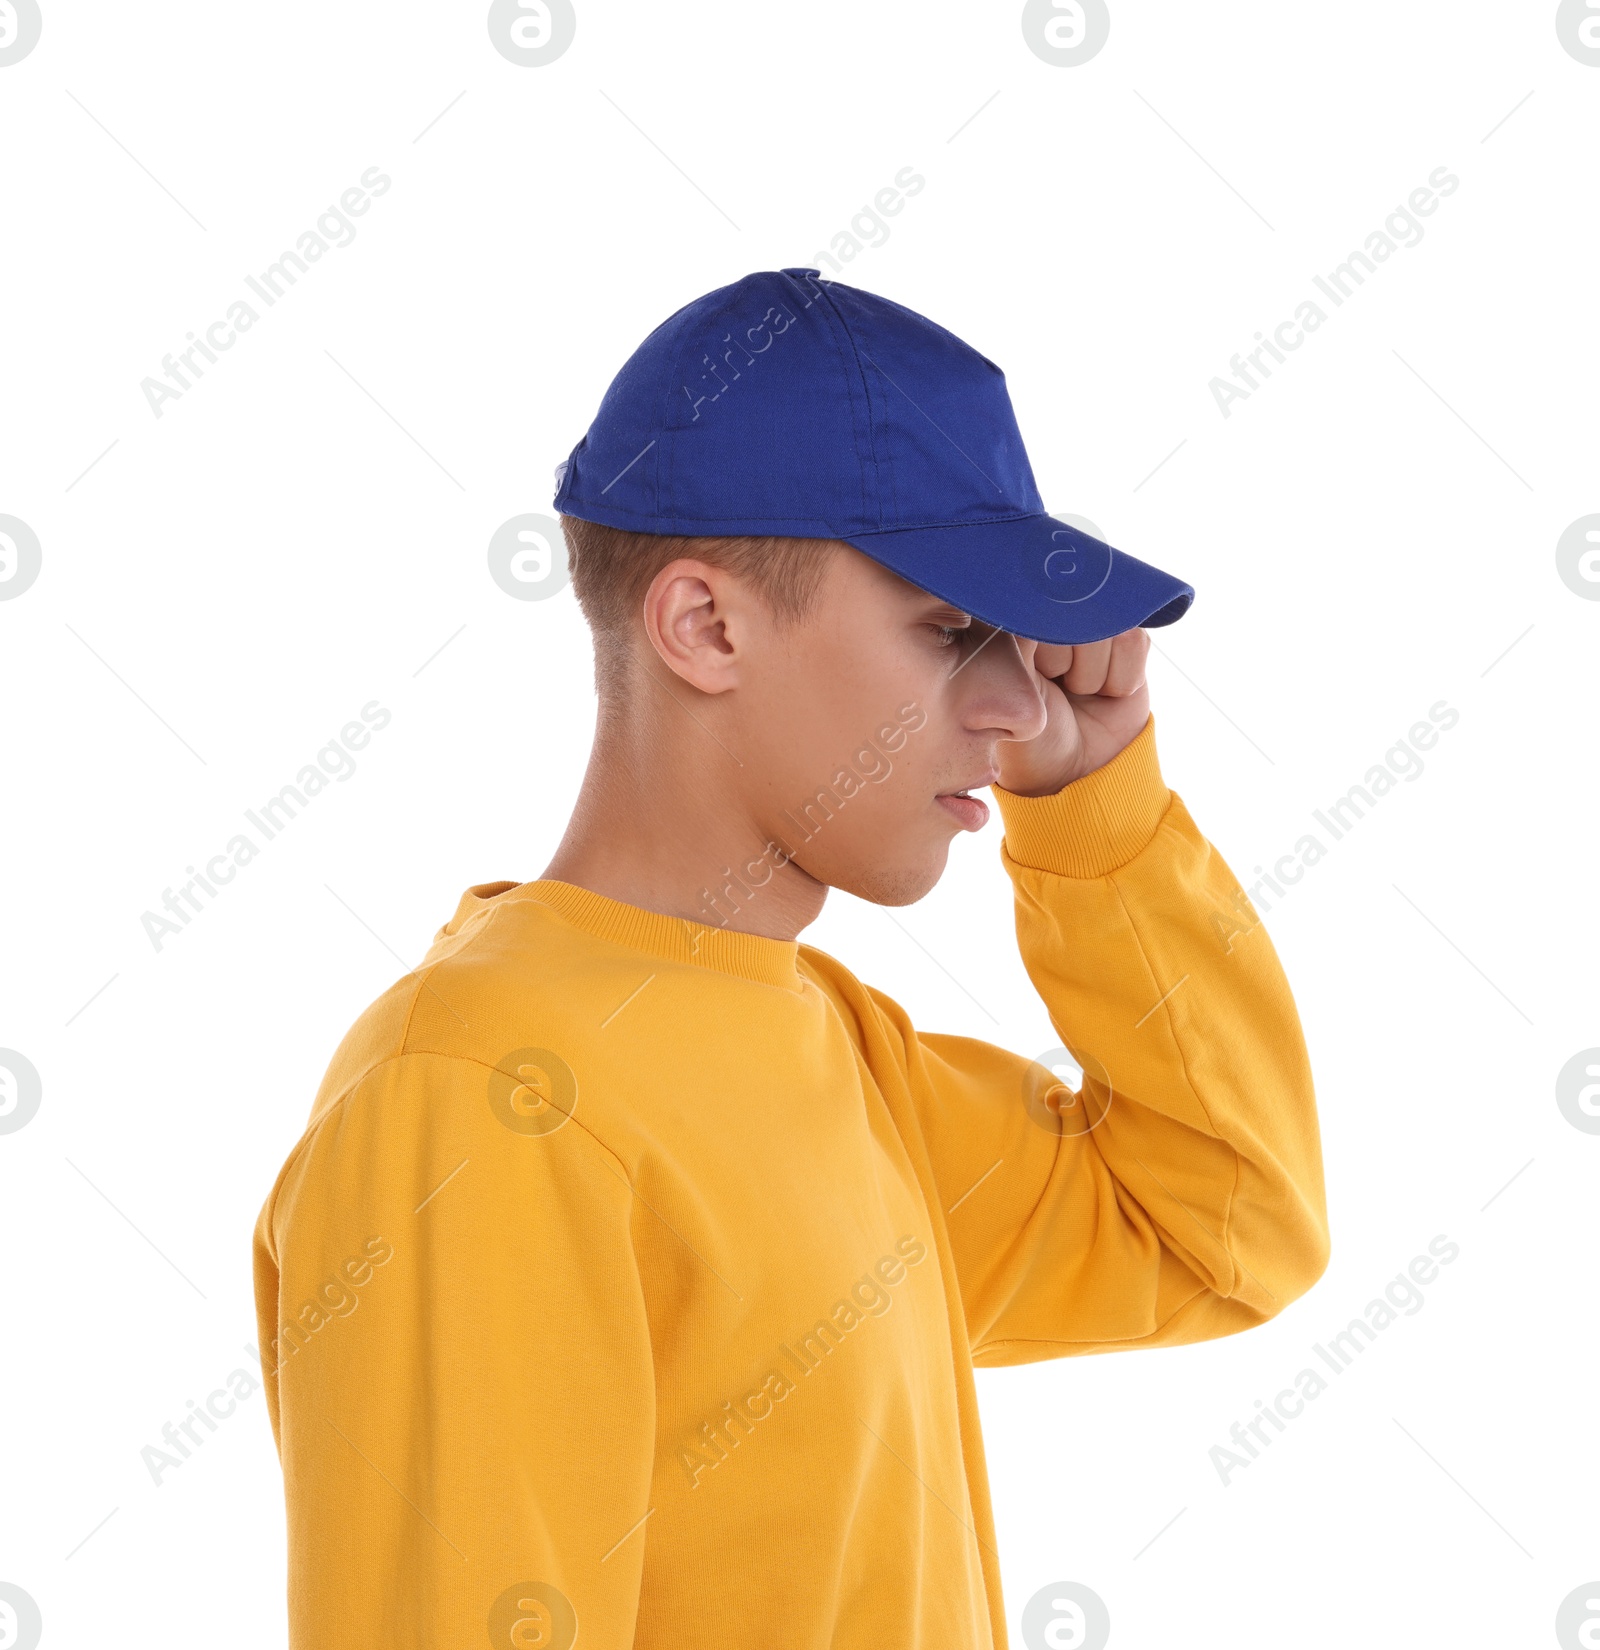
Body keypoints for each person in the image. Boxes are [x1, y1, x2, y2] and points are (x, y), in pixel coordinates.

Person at [252, 267, 1329, 1649]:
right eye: (950, 631)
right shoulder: (481, 1094)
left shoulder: (835, 1044)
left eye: (1014, 638)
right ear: (705, 626)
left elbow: (1226, 1227)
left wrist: (1100, 809)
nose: (1016, 703)